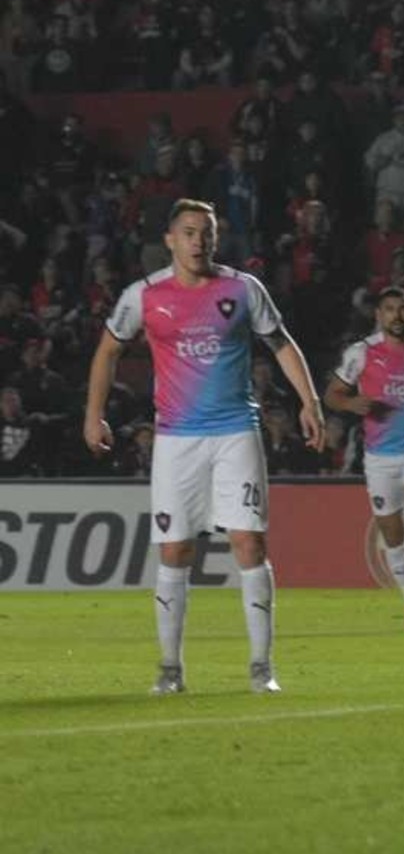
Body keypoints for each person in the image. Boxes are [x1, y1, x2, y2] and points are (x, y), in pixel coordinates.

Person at [83, 199, 325, 695]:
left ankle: (262, 667)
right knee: (175, 550)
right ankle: (170, 669)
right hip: (176, 439)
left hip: (236, 431)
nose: (199, 241)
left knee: (249, 543)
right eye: (189, 233)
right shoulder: (144, 296)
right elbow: (108, 349)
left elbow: (281, 344)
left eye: (206, 233)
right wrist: (93, 413)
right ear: (170, 239)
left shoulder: (242, 288)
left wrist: (310, 402)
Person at [325, 287, 404, 632]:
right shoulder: (361, 354)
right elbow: (333, 394)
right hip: (380, 457)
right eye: (389, 309)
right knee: (394, 537)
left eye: (403, 309)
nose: (396, 315)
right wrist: (352, 404)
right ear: (379, 315)